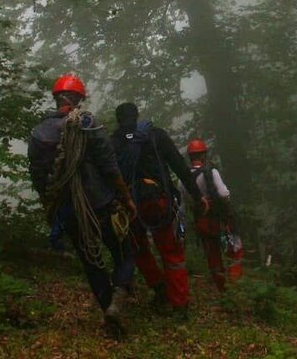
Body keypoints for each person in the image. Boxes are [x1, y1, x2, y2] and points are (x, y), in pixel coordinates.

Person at [28, 74, 137, 337]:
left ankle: (109, 313)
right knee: (126, 250)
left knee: (92, 262)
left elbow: (39, 176)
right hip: (101, 204)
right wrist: (126, 198)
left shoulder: (39, 132)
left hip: (70, 211)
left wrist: (50, 209)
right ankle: (118, 299)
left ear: (57, 99)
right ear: (78, 99)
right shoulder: (87, 124)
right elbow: (110, 167)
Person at [111, 102, 208, 318]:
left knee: (138, 250)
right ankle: (180, 306)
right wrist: (198, 195)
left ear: (118, 119)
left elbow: (108, 176)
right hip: (159, 203)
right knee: (172, 253)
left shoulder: (114, 142)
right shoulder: (155, 136)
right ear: (136, 116)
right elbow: (179, 167)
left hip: (130, 206)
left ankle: (159, 288)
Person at [179, 138, 244, 291]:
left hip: (200, 220)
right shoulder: (211, 172)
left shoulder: (183, 179)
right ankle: (236, 284)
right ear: (203, 155)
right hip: (219, 219)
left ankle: (220, 285)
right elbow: (224, 194)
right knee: (234, 247)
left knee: (212, 253)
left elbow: (183, 203)